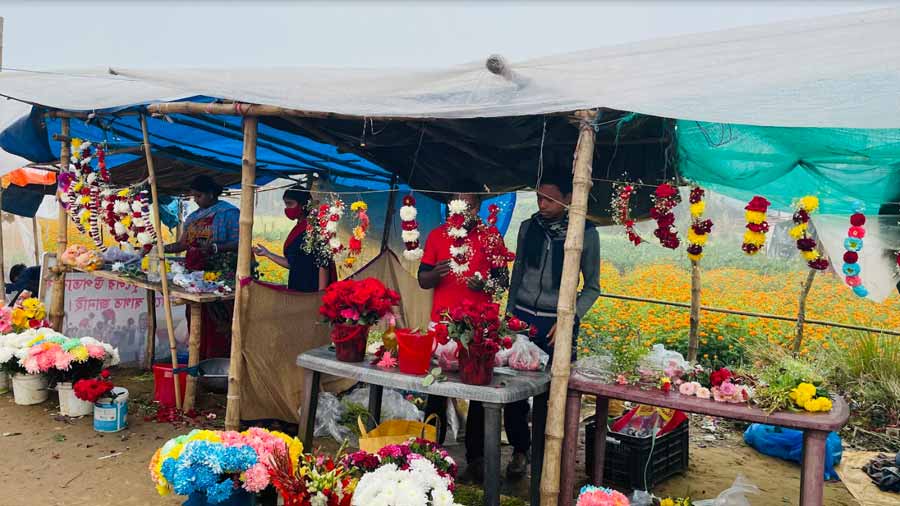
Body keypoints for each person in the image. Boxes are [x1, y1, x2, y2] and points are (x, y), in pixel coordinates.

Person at [502, 174, 601, 476]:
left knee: (551, 393)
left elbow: (592, 287)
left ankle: (548, 458)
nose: (542, 204)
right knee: (513, 391)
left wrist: (570, 319)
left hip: (556, 324)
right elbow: (517, 274)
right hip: (522, 319)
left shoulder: (585, 233)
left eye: (549, 198)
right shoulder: (527, 228)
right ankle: (521, 450)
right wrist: (509, 318)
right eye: (538, 198)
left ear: (569, 198)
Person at [418, 188, 510, 481]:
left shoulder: (491, 236)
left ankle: (476, 459)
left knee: (479, 395)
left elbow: (502, 282)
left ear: (479, 206)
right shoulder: (436, 236)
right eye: (457, 205)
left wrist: (483, 286)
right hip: (442, 328)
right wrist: (437, 274)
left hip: (478, 331)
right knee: (435, 391)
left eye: (468, 206)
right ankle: (429, 454)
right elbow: (422, 279)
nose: (462, 211)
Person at [165, 175, 240, 358]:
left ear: (211, 194)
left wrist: (215, 248)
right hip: (196, 276)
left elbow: (241, 242)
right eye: (193, 197)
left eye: (199, 196)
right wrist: (160, 248)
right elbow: (183, 244)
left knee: (221, 320)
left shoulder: (229, 213)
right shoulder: (193, 217)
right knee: (197, 318)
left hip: (222, 276)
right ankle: (199, 357)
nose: (196, 200)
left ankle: (222, 360)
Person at [252, 185, 337, 292]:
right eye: (286, 204)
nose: (287, 209)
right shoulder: (300, 227)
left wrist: (320, 293)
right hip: (297, 286)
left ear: (302, 204)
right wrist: (267, 253)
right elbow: (293, 264)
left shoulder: (315, 228)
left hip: (312, 289)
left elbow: (323, 263)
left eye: (290, 204)